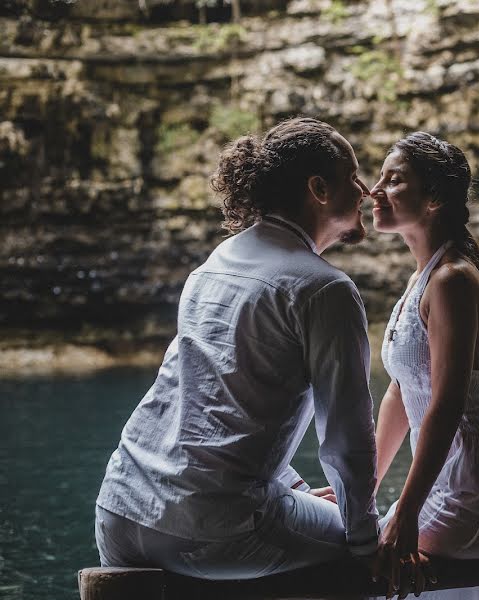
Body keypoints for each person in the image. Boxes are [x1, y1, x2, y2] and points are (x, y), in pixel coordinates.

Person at [94, 116, 381, 579]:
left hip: (121, 508)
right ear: (319, 189)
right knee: (384, 543)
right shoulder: (325, 289)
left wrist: (291, 486)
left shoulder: (216, 262)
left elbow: (202, 399)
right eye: (352, 177)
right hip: (212, 531)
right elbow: (347, 437)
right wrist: (368, 545)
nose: (366, 190)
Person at [370, 132, 479, 599]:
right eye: (379, 178)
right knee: (366, 537)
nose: (375, 190)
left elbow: (446, 406)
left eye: (394, 180)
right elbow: (400, 390)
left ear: (433, 198)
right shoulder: (422, 275)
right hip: (462, 477)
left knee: (375, 558)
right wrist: (364, 486)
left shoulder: (451, 279)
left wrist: (407, 511)